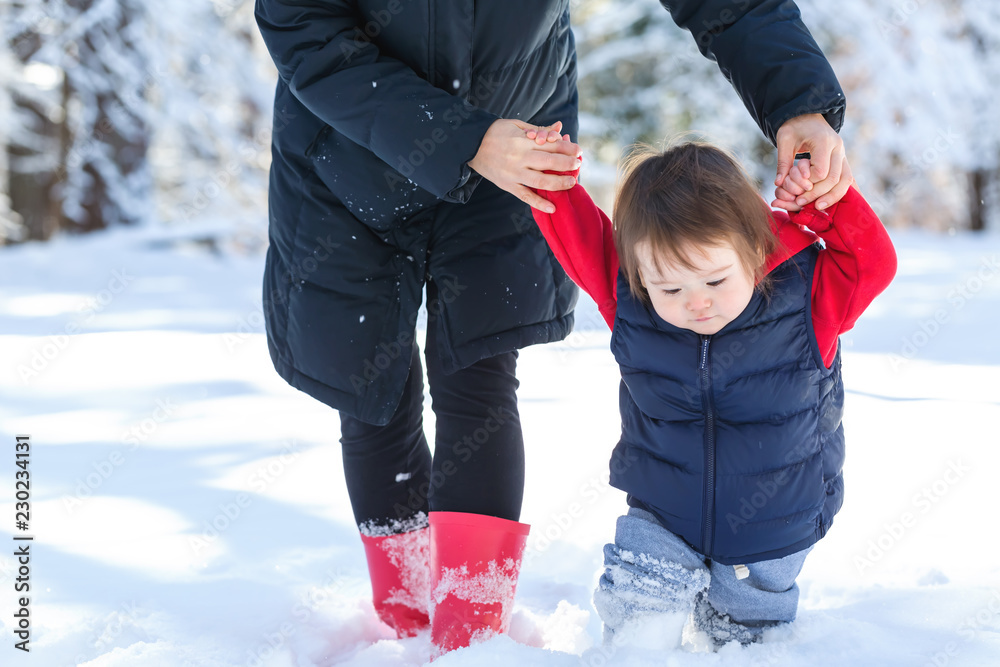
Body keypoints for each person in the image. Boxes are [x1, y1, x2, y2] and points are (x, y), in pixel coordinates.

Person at [253, 0, 854, 655]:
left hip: (515, 146)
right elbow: (304, 25)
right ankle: (405, 621)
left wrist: (798, 102)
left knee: (477, 373)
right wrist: (461, 138)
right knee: (369, 388)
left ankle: (468, 637)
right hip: (344, 160)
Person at [529, 140, 896, 649]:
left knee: (744, 634)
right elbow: (581, 237)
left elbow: (871, 263)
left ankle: (738, 638)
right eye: (671, 289)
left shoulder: (807, 296)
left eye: (715, 279)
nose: (696, 303)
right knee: (639, 607)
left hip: (772, 524)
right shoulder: (631, 299)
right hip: (662, 510)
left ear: (754, 247)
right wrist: (549, 178)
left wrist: (823, 204)